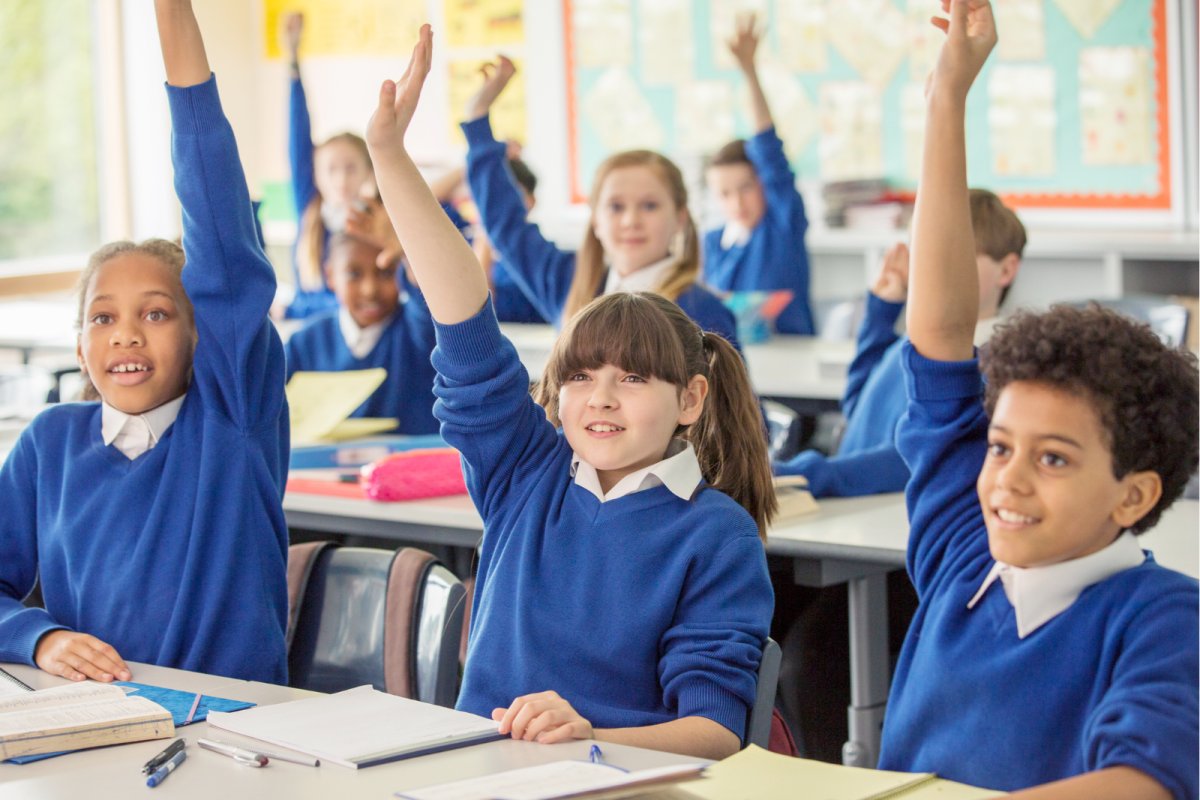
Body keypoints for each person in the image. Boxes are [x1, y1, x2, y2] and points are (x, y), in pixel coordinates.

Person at [366, 26, 774, 759]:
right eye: (580, 378)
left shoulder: (716, 533)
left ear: (691, 399)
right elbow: (462, 315)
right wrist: (390, 159)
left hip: (614, 778)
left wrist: (589, 733)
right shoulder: (527, 472)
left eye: (634, 378)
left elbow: (715, 733)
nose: (602, 398)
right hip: (477, 772)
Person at [879, 2, 1198, 797]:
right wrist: (946, 98)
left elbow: (1141, 783)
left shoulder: (1163, 619)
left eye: (1054, 458)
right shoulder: (963, 555)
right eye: (1000, 446)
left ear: (1136, 494)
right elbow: (943, 333)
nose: (1008, 481)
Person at [0, 0, 289, 683]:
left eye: (157, 314)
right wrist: (37, 639)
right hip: (97, 729)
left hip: (238, 733)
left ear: (201, 337)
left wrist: (172, 26)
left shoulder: (231, 421)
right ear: (79, 347)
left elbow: (223, 244)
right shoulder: (51, 443)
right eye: (102, 318)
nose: (126, 331)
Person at [461, 57, 738, 344]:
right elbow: (506, 227)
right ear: (595, 219)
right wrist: (477, 117)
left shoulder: (702, 313)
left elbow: (728, 390)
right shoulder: (571, 283)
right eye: (616, 207)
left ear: (680, 217)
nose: (631, 221)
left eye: (650, 206)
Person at [775, 188, 1024, 497]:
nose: (933, 269)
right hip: (853, 506)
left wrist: (810, 474)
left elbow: (912, 458)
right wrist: (880, 314)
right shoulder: (915, 339)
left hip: (883, 513)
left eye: (957, 255)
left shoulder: (991, 363)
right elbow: (857, 410)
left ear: (1007, 269)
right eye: (924, 253)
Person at [703, 13, 813, 335]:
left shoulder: (782, 225)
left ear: (764, 183)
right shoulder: (713, 242)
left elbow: (767, 147)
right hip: (731, 368)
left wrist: (749, 72)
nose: (737, 201)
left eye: (746, 187)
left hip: (791, 365)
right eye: (724, 193)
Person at [283, 228, 439, 434]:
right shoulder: (303, 343)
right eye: (354, 274)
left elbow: (429, 299)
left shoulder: (417, 331)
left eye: (385, 273)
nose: (370, 289)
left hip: (410, 462)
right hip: (322, 465)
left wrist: (408, 253)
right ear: (330, 275)